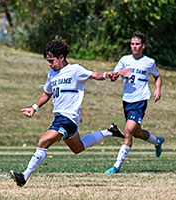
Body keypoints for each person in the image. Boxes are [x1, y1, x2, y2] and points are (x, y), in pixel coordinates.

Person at [10, 39, 126, 187]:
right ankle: (110, 131)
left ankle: (24, 177)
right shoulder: (52, 73)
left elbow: (94, 75)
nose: (50, 64)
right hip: (59, 118)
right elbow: (47, 93)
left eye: (52, 61)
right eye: (48, 62)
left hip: (68, 118)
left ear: (61, 57)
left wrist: (107, 74)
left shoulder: (75, 70)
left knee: (43, 141)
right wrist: (34, 108)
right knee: (78, 148)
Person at [104, 30, 164, 174]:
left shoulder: (149, 62)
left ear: (143, 46)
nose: (134, 47)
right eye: (132, 44)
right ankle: (157, 142)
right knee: (137, 133)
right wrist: (118, 73)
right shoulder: (124, 60)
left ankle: (116, 166)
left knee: (128, 131)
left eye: (137, 44)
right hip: (127, 101)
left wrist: (158, 90)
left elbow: (157, 76)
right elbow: (113, 77)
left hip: (140, 101)